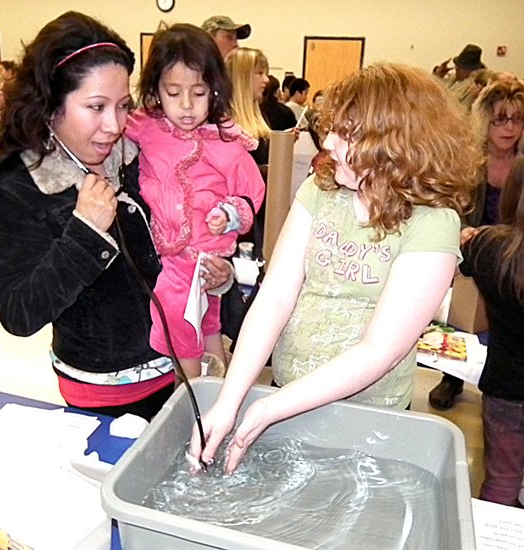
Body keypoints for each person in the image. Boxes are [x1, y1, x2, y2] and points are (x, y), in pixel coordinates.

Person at [189, 63, 480, 473]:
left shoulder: (433, 223)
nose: (327, 141)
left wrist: (270, 408)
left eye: (346, 134)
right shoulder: (321, 190)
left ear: (391, 144)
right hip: (286, 389)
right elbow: (275, 297)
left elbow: (381, 348)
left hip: (368, 414)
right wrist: (231, 398)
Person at [0, 11, 232, 421]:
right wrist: (84, 233)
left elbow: (179, 243)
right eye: (96, 107)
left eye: (123, 106)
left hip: (180, 371)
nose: (114, 126)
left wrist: (216, 275)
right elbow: (17, 312)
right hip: (106, 393)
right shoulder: (15, 191)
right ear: (50, 105)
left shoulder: (139, 158)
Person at [124, 23, 265, 380]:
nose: (186, 106)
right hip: (170, 255)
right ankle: (215, 398)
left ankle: (195, 400)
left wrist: (232, 213)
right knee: (202, 326)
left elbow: (252, 192)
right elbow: (112, 126)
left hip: (204, 258)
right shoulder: (147, 127)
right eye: (173, 93)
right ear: (156, 90)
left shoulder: (224, 141)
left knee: (189, 323)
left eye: (199, 93)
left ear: (215, 91)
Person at [429, 77, 524, 410]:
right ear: (486, 120)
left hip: (514, 255)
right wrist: (465, 233)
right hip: (474, 251)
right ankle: (451, 377)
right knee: (460, 319)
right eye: (501, 119)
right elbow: (452, 205)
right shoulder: (470, 161)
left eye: (517, 118)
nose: (510, 127)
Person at [459, 157, 524, 506]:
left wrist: (471, 236)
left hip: (504, 389)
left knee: (501, 483)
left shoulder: (489, 248)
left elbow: (462, 258)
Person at [225, 47, 271, 254]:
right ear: (243, 77)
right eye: (260, 73)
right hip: (238, 229)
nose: (266, 80)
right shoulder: (224, 129)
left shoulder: (258, 120)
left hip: (259, 219)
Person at [433, 44, 485, 110]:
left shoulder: (472, 89)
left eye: (460, 67)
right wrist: (437, 76)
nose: (456, 68)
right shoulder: (452, 78)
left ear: (470, 70)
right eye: (456, 65)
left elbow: (462, 112)